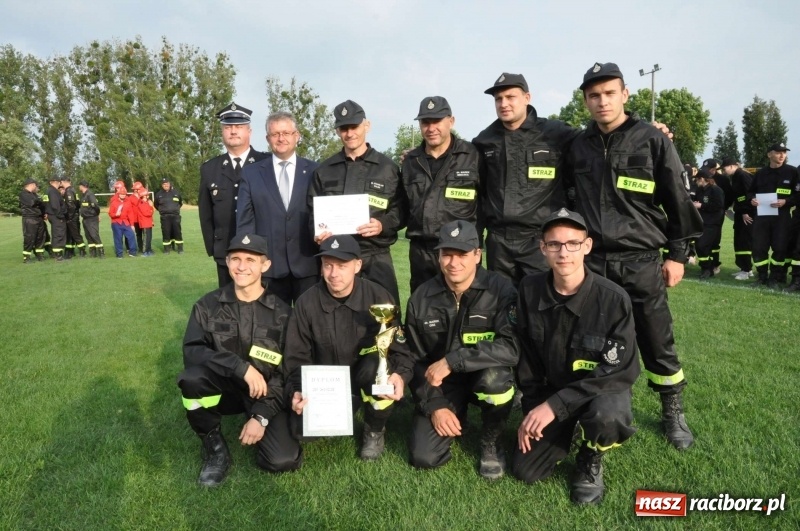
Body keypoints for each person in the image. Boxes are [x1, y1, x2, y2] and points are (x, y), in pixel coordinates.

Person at [565, 62, 703, 450]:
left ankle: (672, 410)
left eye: (610, 93)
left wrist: (676, 255)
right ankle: (588, 406)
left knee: (656, 337)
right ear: (586, 101)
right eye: (594, 95)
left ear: (625, 94)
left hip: (641, 259)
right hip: (591, 263)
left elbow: (678, 201)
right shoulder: (577, 145)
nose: (602, 101)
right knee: (588, 339)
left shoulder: (652, 140)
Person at [513, 208, 638, 505]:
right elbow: (526, 358)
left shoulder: (613, 299)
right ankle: (563, 433)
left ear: (587, 246)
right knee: (526, 471)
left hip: (598, 391)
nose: (563, 252)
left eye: (572, 244)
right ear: (543, 248)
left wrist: (554, 406)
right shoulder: (529, 290)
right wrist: (533, 409)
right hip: (550, 393)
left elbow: (618, 371)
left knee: (609, 415)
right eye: (554, 244)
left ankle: (590, 455)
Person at [267, 235, 412, 471]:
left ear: (357, 265)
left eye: (342, 266)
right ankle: (340, 411)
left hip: (364, 375)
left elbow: (399, 348)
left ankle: (374, 429)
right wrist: (296, 391)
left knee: (377, 369)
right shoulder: (306, 303)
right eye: (328, 265)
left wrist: (401, 375)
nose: (334, 273)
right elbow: (296, 357)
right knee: (302, 431)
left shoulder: (379, 297)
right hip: (327, 386)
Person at [405, 220, 518, 479]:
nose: (454, 263)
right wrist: (435, 405)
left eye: (462, 254)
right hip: (443, 384)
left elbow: (511, 347)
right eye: (447, 254)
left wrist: (454, 360)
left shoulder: (501, 290)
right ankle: (456, 412)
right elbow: (413, 358)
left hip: (484, 373)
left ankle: (491, 441)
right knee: (424, 457)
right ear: (439, 256)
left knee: (495, 381)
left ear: (478, 255)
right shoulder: (421, 298)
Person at [178, 233, 290, 487]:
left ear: (265, 265)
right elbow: (192, 352)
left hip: (264, 393)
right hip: (223, 390)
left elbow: (288, 370)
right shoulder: (207, 305)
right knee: (191, 380)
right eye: (235, 259)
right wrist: (240, 367)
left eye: (251, 260)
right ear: (227, 263)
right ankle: (215, 448)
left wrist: (261, 415)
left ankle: (256, 419)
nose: (242, 266)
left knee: (282, 460)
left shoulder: (284, 313)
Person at [472, 73, 579, 286]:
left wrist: (646, 132)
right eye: (498, 99)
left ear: (527, 97)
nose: (504, 104)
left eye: (510, 97)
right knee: (503, 305)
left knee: (542, 302)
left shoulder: (555, 133)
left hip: (539, 239)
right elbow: (476, 190)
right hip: (499, 242)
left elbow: (596, 141)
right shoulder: (485, 140)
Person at [308, 100, 407, 305]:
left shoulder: (387, 168)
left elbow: (402, 209)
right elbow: (311, 212)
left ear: (366, 126)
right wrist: (317, 232)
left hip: (375, 256)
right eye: (344, 128)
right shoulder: (324, 170)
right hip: (337, 258)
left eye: (354, 127)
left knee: (385, 316)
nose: (350, 133)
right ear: (337, 131)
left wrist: (383, 224)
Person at [238, 111, 320, 304]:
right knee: (271, 328)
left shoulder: (316, 171)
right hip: (268, 268)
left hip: (307, 265)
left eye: (286, 133)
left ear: (296, 135)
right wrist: (250, 260)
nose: (281, 138)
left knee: (307, 327)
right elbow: (245, 222)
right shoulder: (251, 174)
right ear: (268, 138)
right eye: (275, 134)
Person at [402, 96, 481, 293]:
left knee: (464, 309)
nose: (431, 128)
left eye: (436, 121)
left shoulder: (472, 156)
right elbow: (401, 206)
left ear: (451, 121)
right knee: (423, 311)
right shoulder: (411, 161)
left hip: (460, 251)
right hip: (422, 252)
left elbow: (488, 200)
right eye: (425, 122)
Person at [200, 103, 268, 287]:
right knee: (229, 303)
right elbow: (206, 214)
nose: (233, 131)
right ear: (222, 132)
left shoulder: (266, 163)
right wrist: (214, 248)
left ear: (249, 131)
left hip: (260, 248)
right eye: (228, 127)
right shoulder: (210, 168)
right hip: (226, 249)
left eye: (239, 127)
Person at [748, 142, 798, 289]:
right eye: (778, 152)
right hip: (762, 217)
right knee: (758, 247)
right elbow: (750, 192)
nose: (782, 155)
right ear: (769, 154)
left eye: (784, 152)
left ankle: (775, 277)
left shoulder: (792, 172)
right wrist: (752, 199)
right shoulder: (761, 173)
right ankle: (762, 276)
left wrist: (786, 201)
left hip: (781, 218)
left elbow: (797, 195)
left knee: (780, 248)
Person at [721, 159, 754, 280]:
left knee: (744, 241)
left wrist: (746, 211)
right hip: (740, 213)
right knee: (739, 240)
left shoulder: (743, 176)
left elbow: (750, 195)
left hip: (747, 214)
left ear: (731, 166)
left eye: (724, 168)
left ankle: (746, 271)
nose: (723, 171)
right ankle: (745, 268)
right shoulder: (735, 177)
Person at [692, 169, 725, 279]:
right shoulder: (700, 190)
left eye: (697, 180)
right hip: (702, 221)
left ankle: (708, 268)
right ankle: (706, 268)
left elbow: (719, 206)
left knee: (702, 245)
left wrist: (701, 206)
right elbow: (698, 201)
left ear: (702, 179)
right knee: (700, 246)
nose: (696, 182)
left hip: (713, 223)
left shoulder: (716, 190)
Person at [108, 181, 138, 258]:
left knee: (131, 235)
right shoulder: (114, 202)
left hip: (125, 222)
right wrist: (115, 215)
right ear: (118, 194)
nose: (123, 196)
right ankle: (119, 254)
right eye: (121, 194)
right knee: (118, 238)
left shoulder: (127, 201)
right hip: (116, 222)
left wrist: (132, 224)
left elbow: (130, 213)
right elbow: (110, 213)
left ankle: (133, 252)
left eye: (124, 194)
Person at [19, 178, 46, 263]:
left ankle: (39, 254)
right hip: (29, 218)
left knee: (40, 237)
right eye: (35, 184)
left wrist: (43, 213)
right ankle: (26, 257)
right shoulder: (23, 194)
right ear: (31, 184)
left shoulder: (34, 194)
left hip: (38, 218)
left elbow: (41, 204)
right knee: (30, 237)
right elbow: (32, 203)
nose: (36, 186)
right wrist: (39, 201)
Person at [154, 177, 184, 254]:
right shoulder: (159, 194)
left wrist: (175, 210)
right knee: (166, 232)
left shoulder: (176, 192)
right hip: (165, 217)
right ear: (162, 185)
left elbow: (180, 203)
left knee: (177, 232)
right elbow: (156, 205)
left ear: (169, 184)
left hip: (175, 216)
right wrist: (163, 211)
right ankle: (167, 249)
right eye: (164, 184)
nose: (166, 185)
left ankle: (180, 249)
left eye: (167, 184)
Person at [78, 180, 104, 258]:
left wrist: (97, 214)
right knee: (88, 235)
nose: (79, 187)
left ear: (83, 186)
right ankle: (93, 252)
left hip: (91, 218)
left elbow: (95, 205)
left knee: (94, 235)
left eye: (79, 185)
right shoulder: (83, 195)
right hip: (85, 219)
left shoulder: (90, 194)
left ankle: (101, 252)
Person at [43, 176, 67, 261]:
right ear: (57, 182)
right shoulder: (53, 191)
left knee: (57, 233)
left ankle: (57, 254)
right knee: (58, 234)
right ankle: (58, 256)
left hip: (52, 215)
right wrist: (61, 216)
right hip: (56, 216)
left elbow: (45, 204)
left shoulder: (48, 191)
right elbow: (55, 206)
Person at [61, 176, 86, 259]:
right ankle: (69, 251)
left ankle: (82, 250)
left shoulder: (68, 191)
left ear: (64, 182)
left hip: (71, 217)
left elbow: (71, 206)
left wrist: (69, 217)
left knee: (75, 234)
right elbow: (78, 204)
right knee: (70, 235)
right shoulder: (74, 190)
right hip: (74, 215)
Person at [136, 186, 155, 256]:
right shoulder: (141, 203)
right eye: (147, 195)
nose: (148, 196)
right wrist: (151, 208)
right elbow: (147, 213)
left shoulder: (146, 202)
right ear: (143, 196)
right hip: (144, 223)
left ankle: (149, 250)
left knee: (149, 237)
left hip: (148, 222)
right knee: (146, 238)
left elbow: (150, 213)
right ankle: (144, 251)